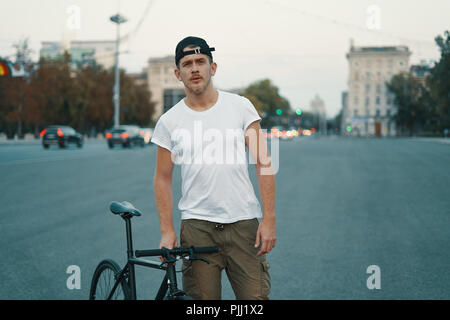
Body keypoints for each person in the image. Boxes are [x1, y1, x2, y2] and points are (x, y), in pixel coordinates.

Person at [151, 36, 276, 300]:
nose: (194, 68)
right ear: (178, 73)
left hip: (244, 226)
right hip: (197, 228)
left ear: (213, 67)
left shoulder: (241, 107)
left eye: (200, 61)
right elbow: (162, 178)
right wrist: (167, 229)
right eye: (187, 64)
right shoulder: (169, 121)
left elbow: (263, 163)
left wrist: (269, 218)